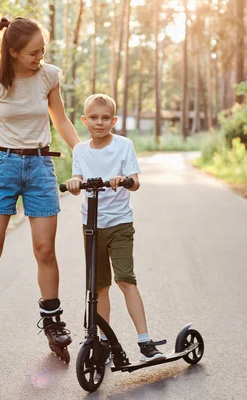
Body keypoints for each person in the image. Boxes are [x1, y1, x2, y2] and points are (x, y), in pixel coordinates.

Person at [0, 16, 80, 363]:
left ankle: (54, 323)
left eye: (42, 50)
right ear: (12, 52)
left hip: (40, 166)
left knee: (44, 250)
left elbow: (61, 120)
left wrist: (85, 155)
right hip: (3, 167)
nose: (39, 57)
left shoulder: (49, 76)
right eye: (32, 52)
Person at [65, 94, 165, 362]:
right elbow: (77, 178)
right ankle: (104, 343)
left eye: (105, 118)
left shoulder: (124, 145)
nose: (100, 122)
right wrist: (74, 182)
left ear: (114, 120)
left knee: (125, 279)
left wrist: (124, 180)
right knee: (98, 288)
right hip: (92, 227)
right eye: (94, 118)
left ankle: (145, 342)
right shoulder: (81, 150)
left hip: (119, 224)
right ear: (85, 121)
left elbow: (135, 181)